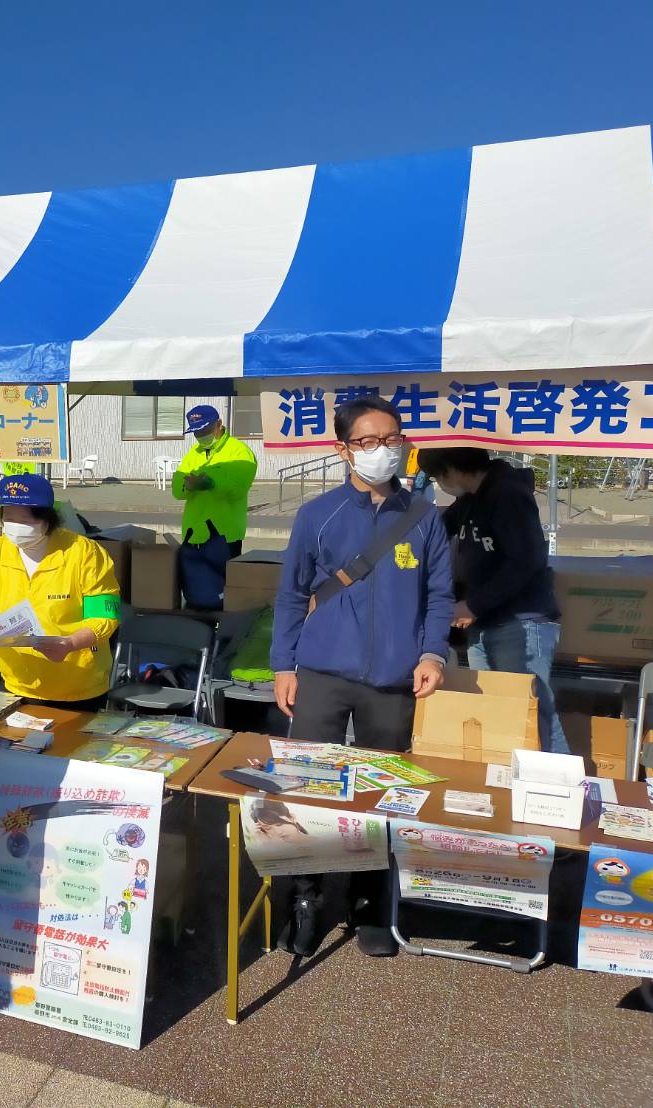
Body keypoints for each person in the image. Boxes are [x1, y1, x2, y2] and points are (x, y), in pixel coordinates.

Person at [271, 395, 453, 958]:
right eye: (368, 441)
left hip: (393, 680)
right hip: (322, 672)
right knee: (308, 789)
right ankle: (305, 898)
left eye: (391, 439)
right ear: (343, 449)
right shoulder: (317, 514)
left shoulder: (424, 517)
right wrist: (283, 664)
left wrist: (432, 655)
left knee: (384, 794)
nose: (382, 450)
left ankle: (371, 901)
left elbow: (439, 595)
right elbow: (291, 594)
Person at [418, 447, 568, 754]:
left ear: (451, 469)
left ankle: (565, 779)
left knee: (531, 710)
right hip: (484, 622)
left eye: (437, 477)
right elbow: (438, 530)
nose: (439, 485)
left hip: (520, 622)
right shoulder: (469, 499)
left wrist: (474, 605)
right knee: (495, 712)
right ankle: (504, 776)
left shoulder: (508, 494)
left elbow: (525, 561)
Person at [0, 473, 121, 710]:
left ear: (47, 519)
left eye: (24, 520)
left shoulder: (84, 553)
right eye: (8, 518)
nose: (15, 527)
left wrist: (70, 643)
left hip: (77, 684)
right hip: (16, 681)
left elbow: (104, 616)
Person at [171, 405, 257, 609]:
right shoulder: (194, 453)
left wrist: (211, 484)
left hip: (224, 536)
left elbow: (238, 488)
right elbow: (176, 489)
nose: (201, 436)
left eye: (205, 430)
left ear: (219, 424)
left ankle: (222, 626)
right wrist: (188, 486)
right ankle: (197, 624)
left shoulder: (239, 452)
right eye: (196, 432)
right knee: (195, 593)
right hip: (194, 534)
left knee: (223, 596)